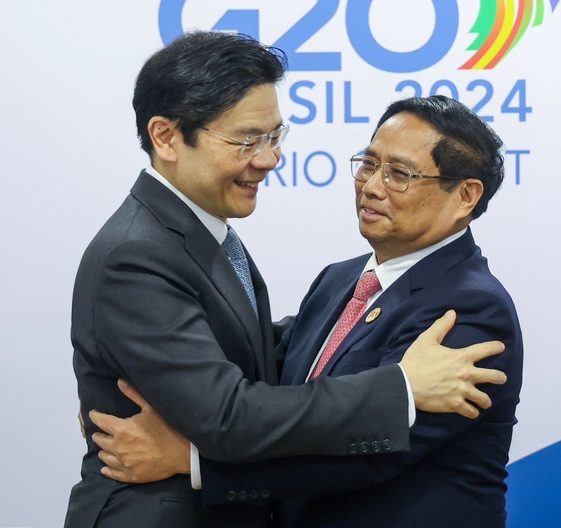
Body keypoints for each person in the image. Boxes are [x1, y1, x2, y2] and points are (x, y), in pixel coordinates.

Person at [65, 31, 507, 528]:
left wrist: (190, 459)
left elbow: (370, 453)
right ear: (167, 136)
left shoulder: (468, 309)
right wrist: (402, 388)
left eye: (274, 137)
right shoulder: (140, 253)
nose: (270, 159)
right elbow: (232, 407)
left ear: (466, 196)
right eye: (248, 140)